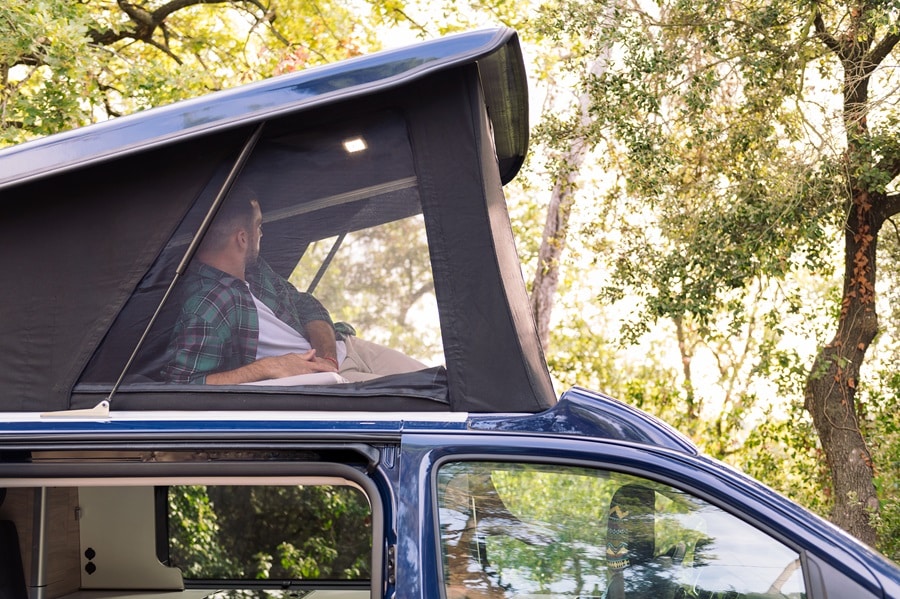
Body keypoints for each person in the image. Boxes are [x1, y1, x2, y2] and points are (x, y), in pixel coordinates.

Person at [162, 189, 426, 385]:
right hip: (327, 380)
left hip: (345, 347)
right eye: (259, 226)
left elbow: (307, 304)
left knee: (442, 385)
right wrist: (268, 368)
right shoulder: (208, 303)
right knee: (425, 402)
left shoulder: (255, 270)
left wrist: (328, 355)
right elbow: (181, 384)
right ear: (242, 238)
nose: (261, 234)